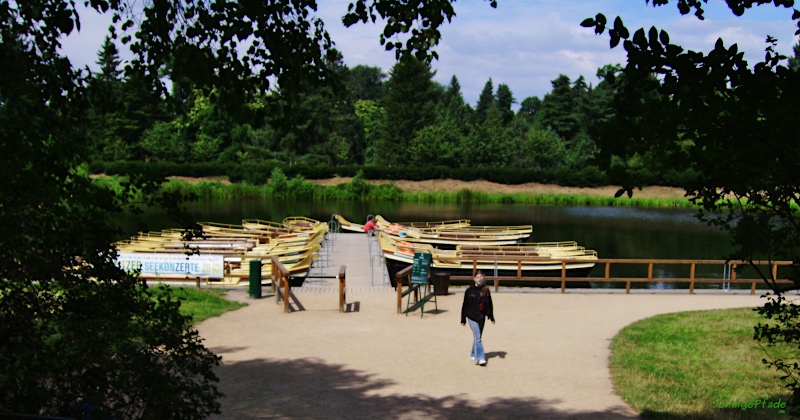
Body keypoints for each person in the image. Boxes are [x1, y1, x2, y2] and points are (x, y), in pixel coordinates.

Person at [460, 271, 495, 366]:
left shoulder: (486, 290)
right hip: (471, 317)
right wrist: (463, 319)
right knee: (478, 337)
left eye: (481, 277)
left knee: (477, 337)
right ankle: (481, 358)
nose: (480, 279)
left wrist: (491, 317)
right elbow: (465, 305)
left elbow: (489, 304)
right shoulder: (469, 291)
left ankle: (473, 354)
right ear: (474, 278)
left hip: (481, 317)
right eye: (478, 277)